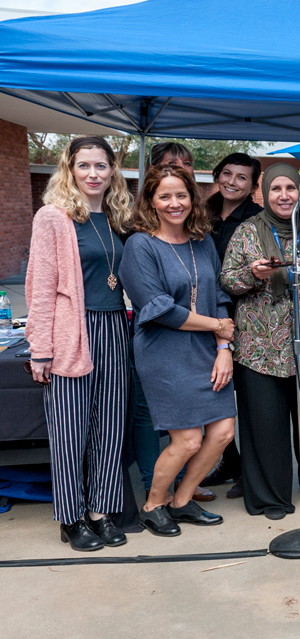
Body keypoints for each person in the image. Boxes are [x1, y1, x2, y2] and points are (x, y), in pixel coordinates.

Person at [26, 137, 134, 551]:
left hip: (113, 327)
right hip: (72, 330)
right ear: (70, 169)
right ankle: (71, 517)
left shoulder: (116, 215)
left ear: (112, 171)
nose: (93, 174)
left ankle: (101, 511)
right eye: (84, 166)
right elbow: (39, 286)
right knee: (70, 431)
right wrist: (40, 347)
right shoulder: (53, 217)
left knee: (109, 428)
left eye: (101, 166)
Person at [119, 165, 236, 536]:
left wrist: (223, 347)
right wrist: (217, 326)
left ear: (192, 198)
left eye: (181, 195)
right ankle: (154, 505)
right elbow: (159, 308)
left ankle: (182, 501)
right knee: (187, 439)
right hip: (164, 351)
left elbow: (218, 297)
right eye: (164, 196)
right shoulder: (140, 245)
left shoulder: (202, 240)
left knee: (222, 433)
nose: (174, 203)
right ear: (151, 201)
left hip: (206, 348)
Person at [219, 164, 300, 519]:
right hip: (259, 347)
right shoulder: (247, 231)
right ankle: (271, 497)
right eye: (276, 189)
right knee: (265, 426)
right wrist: (253, 274)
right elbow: (226, 281)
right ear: (265, 193)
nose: (284, 196)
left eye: (291, 188)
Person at [202, 152, 263, 496]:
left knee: (248, 399)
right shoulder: (201, 212)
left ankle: (250, 472)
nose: (232, 182)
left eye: (242, 177)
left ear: (253, 186)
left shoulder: (257, 219)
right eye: (227, 173)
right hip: (202, 315)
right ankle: (230, 460)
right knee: (213, 395)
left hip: (245, 317)